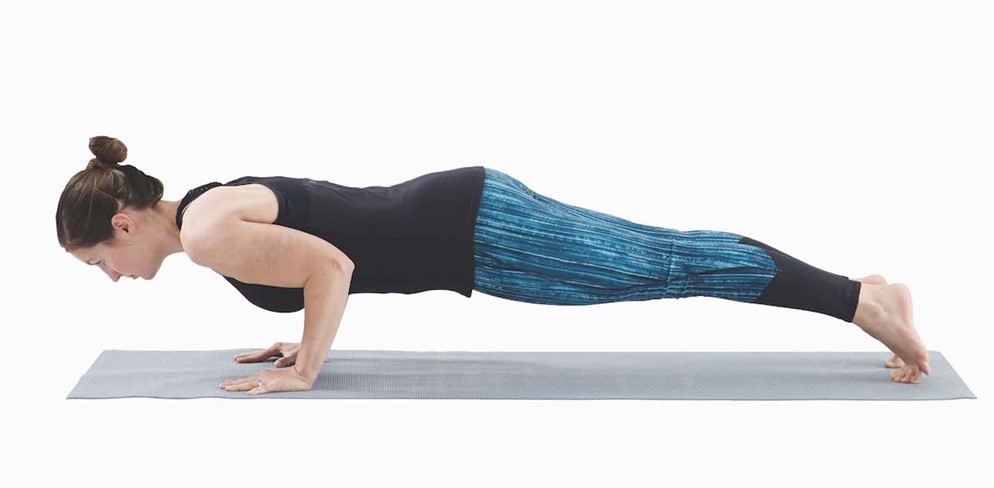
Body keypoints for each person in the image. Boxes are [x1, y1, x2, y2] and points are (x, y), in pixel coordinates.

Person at [57, 136, 932, 395]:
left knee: (662, 262)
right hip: (463, 218)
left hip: (475, 232)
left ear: (125, 224)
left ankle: (863, 301)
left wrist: (309, 369)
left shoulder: (208, 235)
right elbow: (326, 235)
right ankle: (862, 293)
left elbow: (330, 264)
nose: (108, 276)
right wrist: (293, 344)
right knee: (659, 260)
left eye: (99, 259)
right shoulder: (206, 208)